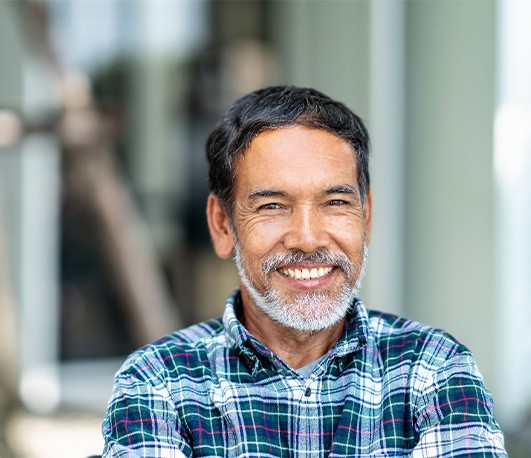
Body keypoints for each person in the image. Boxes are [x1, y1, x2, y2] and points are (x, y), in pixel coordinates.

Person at [102, 86, 506, 457]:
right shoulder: (159, 382)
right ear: (223, 226)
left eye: (334, 203)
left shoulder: (433, 368)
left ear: (365, 218)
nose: (309, 239)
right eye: (273, 206)